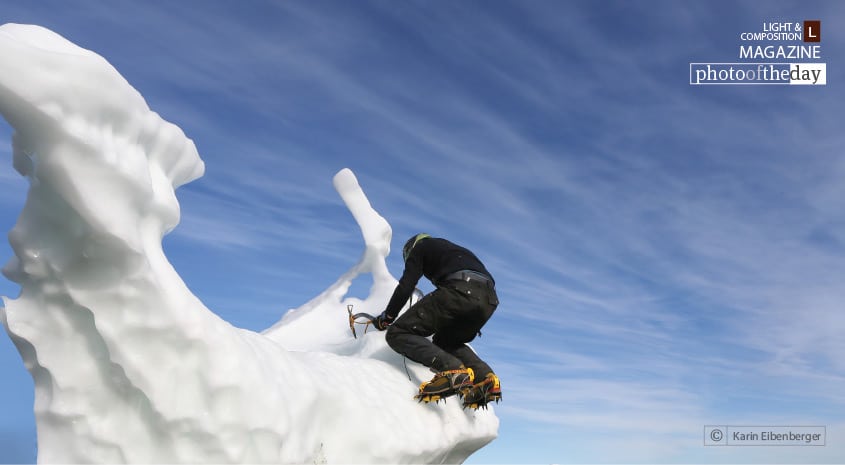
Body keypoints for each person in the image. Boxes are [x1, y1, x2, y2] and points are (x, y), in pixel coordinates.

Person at [374, 233, 501, 409]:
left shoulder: (420, 247)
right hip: (489, 300)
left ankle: (451, 369)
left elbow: (406, 285)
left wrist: (387, 317)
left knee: (397, 333)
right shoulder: (455, 251)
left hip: (461, 289)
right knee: (446, 341)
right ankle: (486, 378)